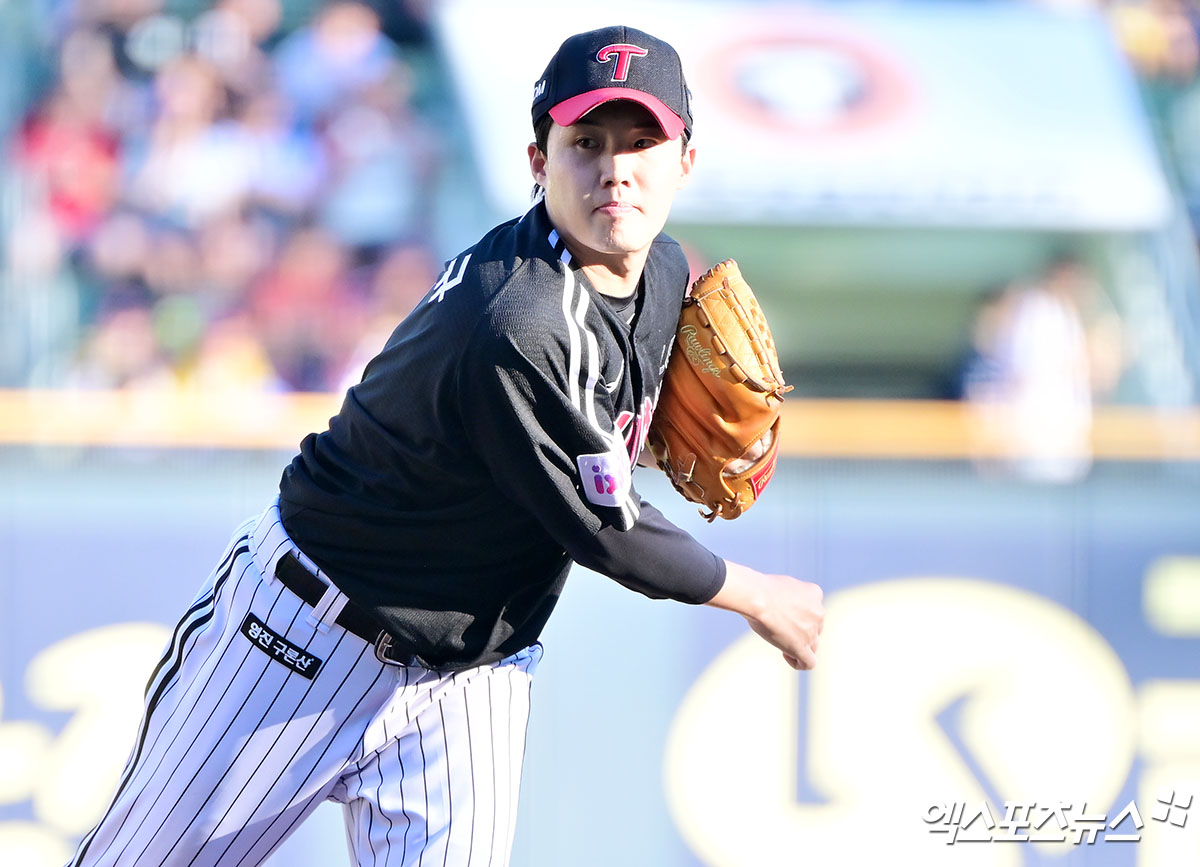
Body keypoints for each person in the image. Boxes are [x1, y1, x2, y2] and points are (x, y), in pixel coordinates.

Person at [66, 25, 824, 867]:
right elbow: (607, 532)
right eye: (586, 143)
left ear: (686, 159)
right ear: (538, 162)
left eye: (643, 140)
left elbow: (579, 437)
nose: (617, 167)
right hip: (301, 642)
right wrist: (761, 595)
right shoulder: (519, 317)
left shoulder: (666, 277)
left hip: (470, 683)